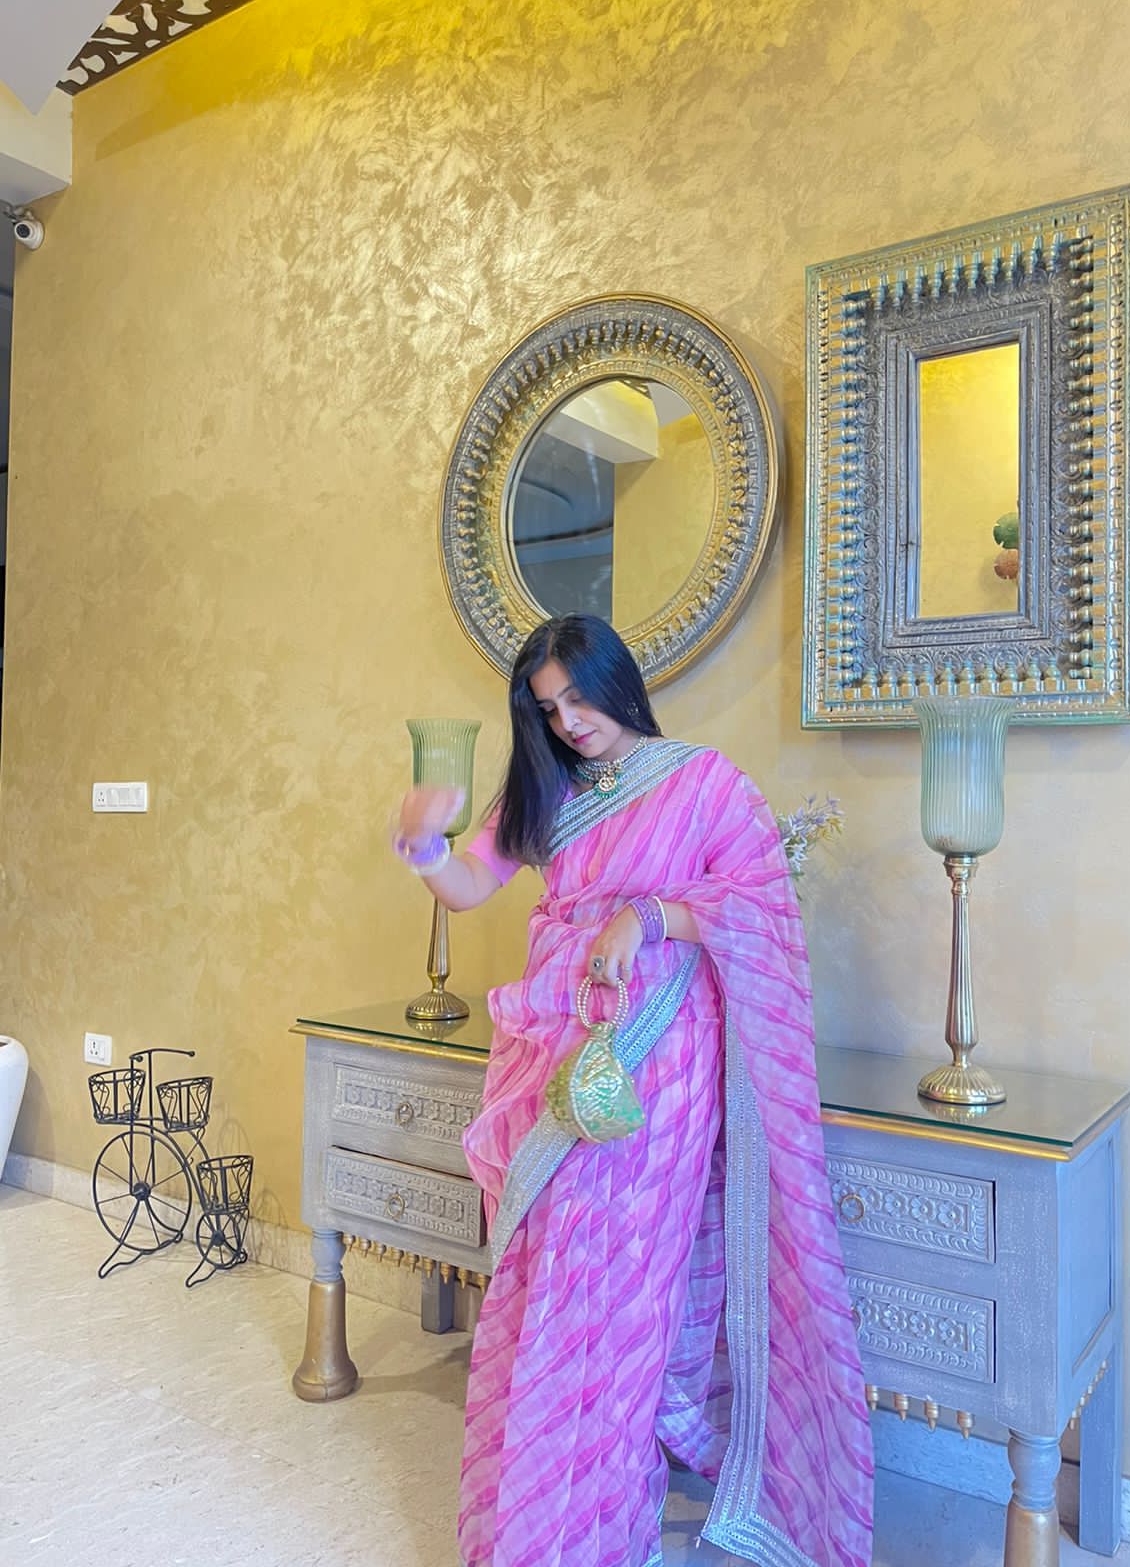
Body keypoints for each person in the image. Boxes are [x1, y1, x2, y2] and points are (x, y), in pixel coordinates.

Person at [392, 614, 872, 1567]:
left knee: (619, 1286)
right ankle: (544, 1520)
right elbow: (470, 883)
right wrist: (418, 843)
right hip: (557, 1050)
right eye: (548, 708)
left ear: (619, 681)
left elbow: (760, 908)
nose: (568, 722)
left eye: (579, 697)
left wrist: (648, 917)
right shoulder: (547, 787)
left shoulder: (706, 783)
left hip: (660, 1064)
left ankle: (603, 1529)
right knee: (551, 1275)